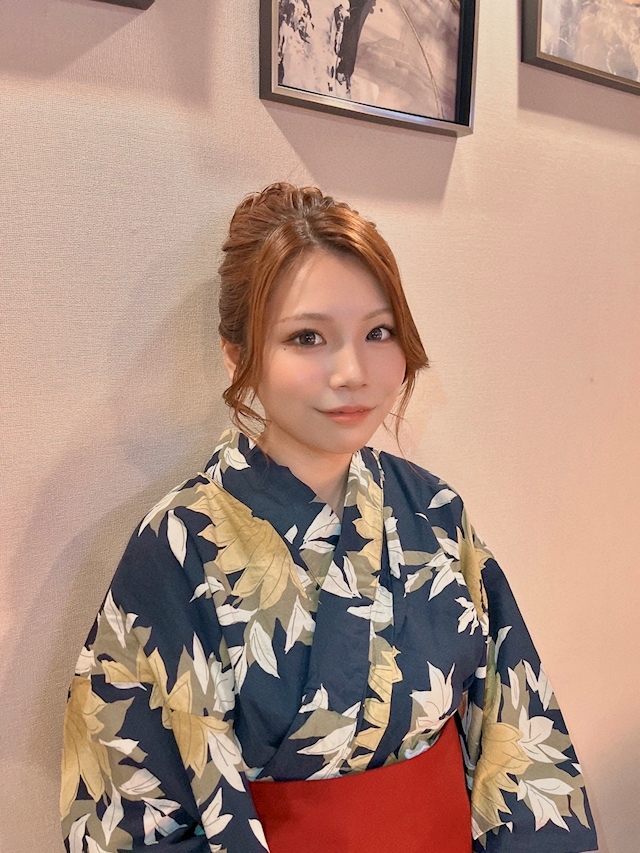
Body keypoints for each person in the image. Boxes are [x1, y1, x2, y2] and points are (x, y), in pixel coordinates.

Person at [61, 183, 598, 853]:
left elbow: (517, 734)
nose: (353, 370)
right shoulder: (177, 545)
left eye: (379, 332)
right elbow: (128, 815)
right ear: (237, 353)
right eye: (307, 337)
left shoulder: (435, 513)